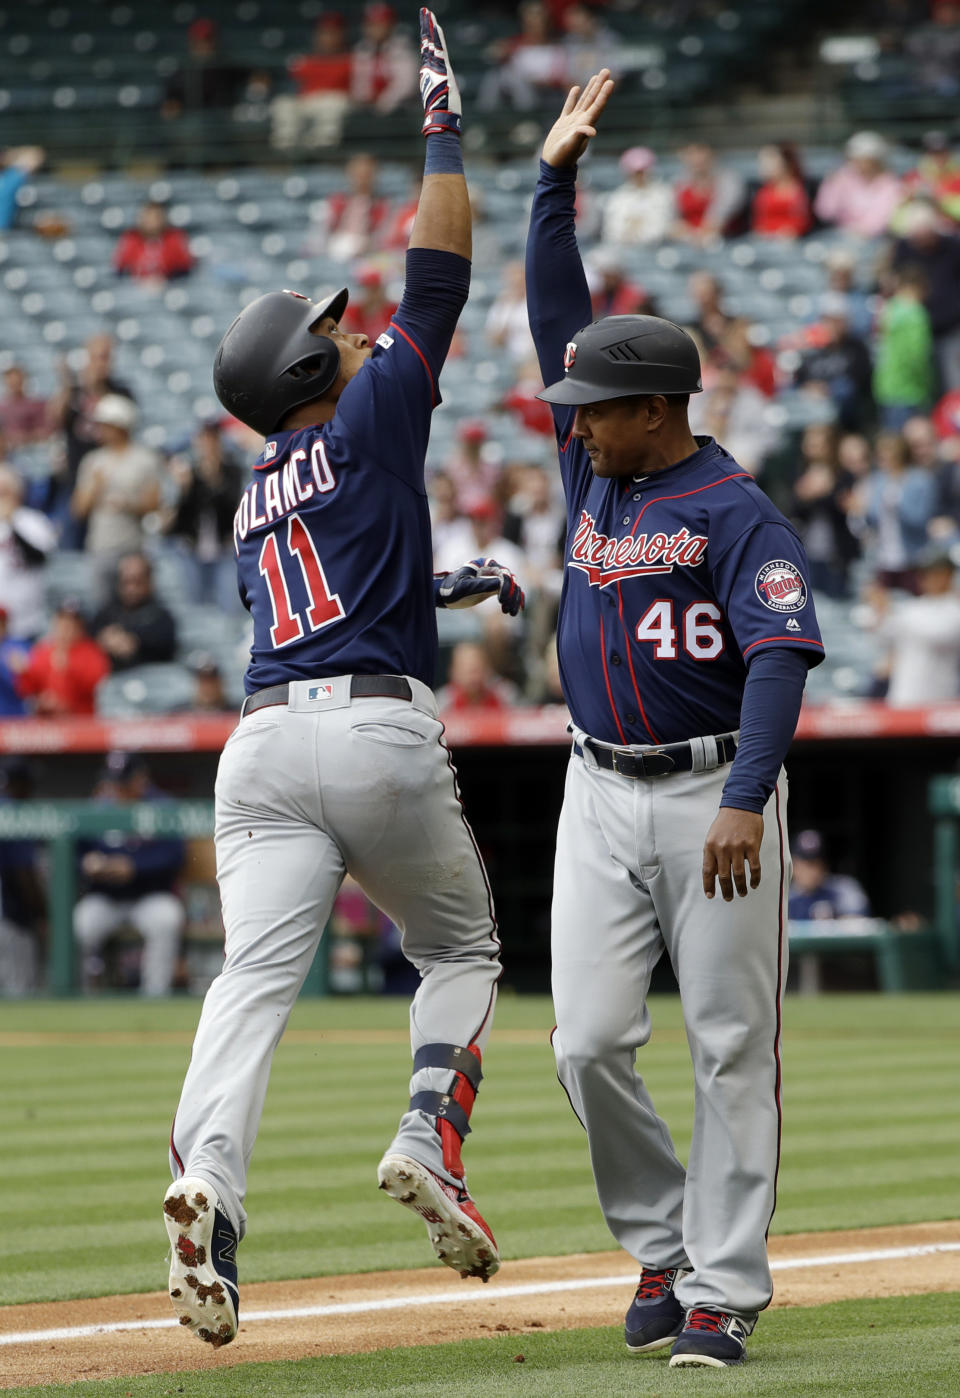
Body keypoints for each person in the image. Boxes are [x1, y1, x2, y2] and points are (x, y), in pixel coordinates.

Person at [162, 12, 525, 1351]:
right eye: (335, 326)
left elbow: (319, 600)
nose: (358, 329)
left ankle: (208, 1184)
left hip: (261, 745)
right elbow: (442, 276)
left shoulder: (259, 488)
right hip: (374, 730)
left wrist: (442, 586)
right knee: (464, 946)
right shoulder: (370, 417)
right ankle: (431, 1131)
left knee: (248, 983)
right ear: (313, 369)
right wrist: (439, 121)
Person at [525, 71, 824, 1369]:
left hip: (715, 793)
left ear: (658, 408)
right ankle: (657, 1238)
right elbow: (557, 319)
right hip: (598, 786)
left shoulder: (733, 507)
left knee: (727, 1042)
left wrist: (749, 798)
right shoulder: (594, 468)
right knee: (584, 1037)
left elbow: (781, 651)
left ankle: (721, 1286)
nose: (574, 420)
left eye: (595, 407)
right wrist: (551, 184)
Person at [74, 751, 185, 996]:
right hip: (107, 898)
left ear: (140, 779)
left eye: (123, 782)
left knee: (166, 919)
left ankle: (154, 998)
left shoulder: (162, 807)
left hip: (150, 896)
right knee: (83, 923)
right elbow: (76, 852)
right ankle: (85, 999)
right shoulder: (98, 808)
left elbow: (174, 856)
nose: (116, 789)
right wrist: (91, 864)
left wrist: (134, 867)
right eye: (112, 782)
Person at [70, 395, 164, 596]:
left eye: (106, 425)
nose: (101, 430)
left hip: (133, 547)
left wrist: (128, 505)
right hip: (101, 547)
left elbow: (155, 502)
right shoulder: (92, 461)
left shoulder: (145, 459)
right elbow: (78, 509)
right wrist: (95, 487)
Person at [890, 202, 960, 395]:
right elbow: (896, 281)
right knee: (920, 385)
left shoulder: (953, 247)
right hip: (915, 328)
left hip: (950, 329)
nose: (919, 241)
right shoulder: (904, 248)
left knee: (953, 383)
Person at [875, 548, 960, 704]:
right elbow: (883, 638)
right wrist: (881, 610)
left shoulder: (954, 608)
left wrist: (898, 617)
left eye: (932, 573)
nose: (925, 579)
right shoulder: (912, 607)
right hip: (902, 699)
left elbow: (939, 635)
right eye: (923, 574)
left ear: (947, 575)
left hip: (939, 702)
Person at [270, 12, 354, 151]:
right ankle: (286, 151)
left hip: (336, 101)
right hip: (307, 100)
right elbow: (290, 84)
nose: (328, 38)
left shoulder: (350, 59)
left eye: (333, 33)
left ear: (341, 35)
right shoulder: (305, 60)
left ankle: (321, 152)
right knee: (283, 104)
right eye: (324, 33)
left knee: (332, 104)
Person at [17, 599, 110, 716]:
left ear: (81, 626)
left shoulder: (92, 652)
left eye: (72, 623)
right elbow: (27, 690)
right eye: (62, 621)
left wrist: (69, 670)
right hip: (47, 722)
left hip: (80, 721)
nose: (66, 627)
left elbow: (96, 687)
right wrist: (24, 674)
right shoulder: (42, 650)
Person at [0, 760, 45, 995]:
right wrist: (42, 916)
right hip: (9, 921)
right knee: (19, 995)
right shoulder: (14, 813)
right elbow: (24, 876)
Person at [92, 552, 177, 672]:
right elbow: (91, 633)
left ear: (149, 582)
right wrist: (105, 638)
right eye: (126, 582)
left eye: (137, 582)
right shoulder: (108, 611)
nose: (131, 589)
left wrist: (133, 640)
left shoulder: (161, 616)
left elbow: (164, 643)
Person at [872, 266, 935, 429]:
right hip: (910, 389)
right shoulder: (916, 314)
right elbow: (917, 355)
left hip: (885, 386)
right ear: (917, 287)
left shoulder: (889, 308)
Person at [0, 462, 57, 641]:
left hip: (27, 620)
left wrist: (12, 525)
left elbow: (39, 558)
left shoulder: (34, 521)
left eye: (5, 490)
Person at [813, 131, 902, 240]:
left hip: (874, 241)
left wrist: (858, 231)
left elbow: (880, 221)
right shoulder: (842, 178)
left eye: (863, 159)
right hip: (839, 236)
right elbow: (825, 212)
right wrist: (832, 185)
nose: (858, 164)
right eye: (854, 159)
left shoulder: (891, 184)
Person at [788, 829, 870, 922]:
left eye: (817, 863)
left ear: (825, 865)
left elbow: (859, 923)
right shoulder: (785, 897)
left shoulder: (844, 889)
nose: (812, 871)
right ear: (793, 865)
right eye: (806, 864)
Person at [601, 146, 675, 247]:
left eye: (642, 171)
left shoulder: (663, 194)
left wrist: (636, 230)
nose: (639, 176)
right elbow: (612, 231)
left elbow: (660, 229)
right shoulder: (618, 197)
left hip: (655, 250)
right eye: (635, 172)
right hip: (622, 250)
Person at [113, 201, 194, 284]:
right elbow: (120, 270)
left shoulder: (174, 239)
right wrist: (139, 281)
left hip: (169, 286)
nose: (151, 222)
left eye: (156, 217)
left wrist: (165, 279)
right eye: (148, 217)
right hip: (136, 288)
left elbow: (185, 269)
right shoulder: (130, 239)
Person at [750, 143, 812, 239]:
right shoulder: (763, 192)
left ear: (786, 163)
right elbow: (759, 221)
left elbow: (802, 220)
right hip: (767, 239)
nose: (765, 167)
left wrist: (791, 231)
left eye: (770, 162)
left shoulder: (803, 189)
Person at [0, 365, 51, 447]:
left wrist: (25, 437)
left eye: (17, 381)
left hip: (29, 450)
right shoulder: (2, 407)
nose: (14, 384)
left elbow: (44, 432)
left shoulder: (36, 405)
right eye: (11, 381)